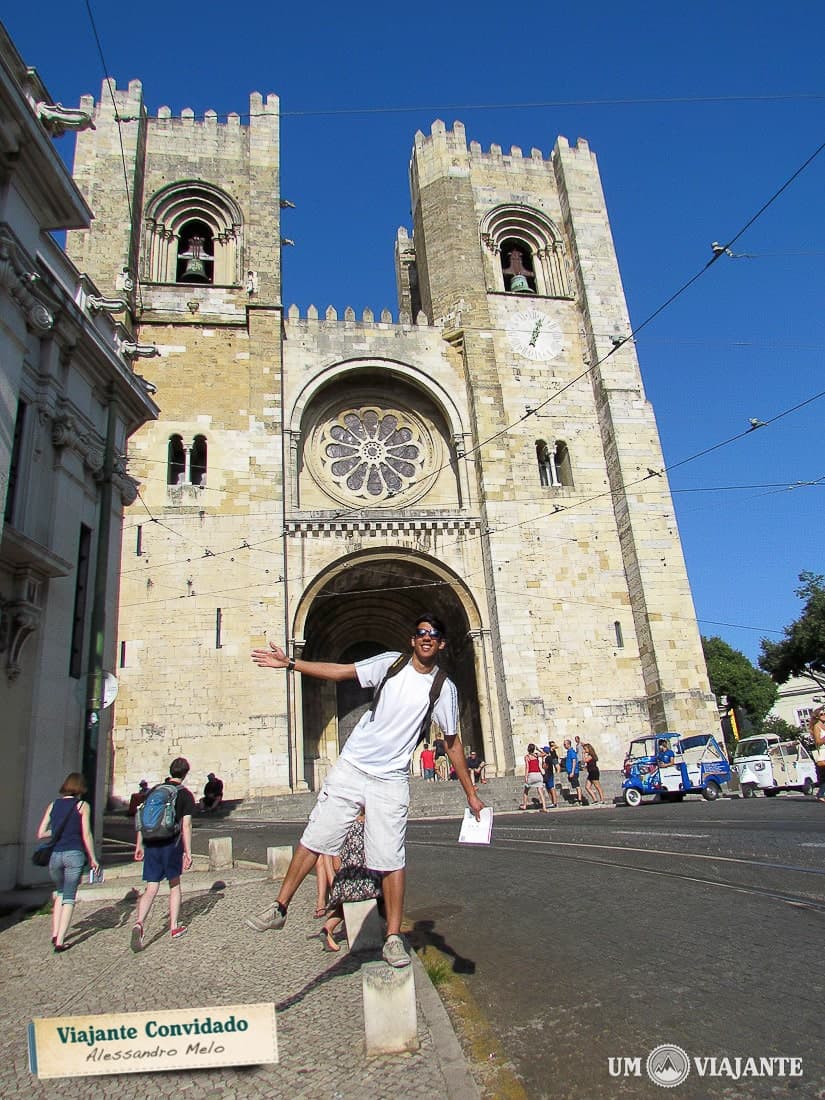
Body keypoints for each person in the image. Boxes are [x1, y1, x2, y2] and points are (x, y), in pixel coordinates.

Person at [246, 613, 484, 968]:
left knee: (390, 858)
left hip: (391, 779)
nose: (426, 638)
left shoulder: (444, 689)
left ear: (442, 643)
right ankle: (279, 906)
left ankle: (391, 938)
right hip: (353, 766)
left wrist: (470, 793)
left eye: (433, 634)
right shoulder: (390, 664)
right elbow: (341, 672)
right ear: (412, 639)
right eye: (420, 632)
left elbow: (452, 743)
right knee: (316, 836)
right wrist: (290, 663)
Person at [131, 757, 195, 951]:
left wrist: (138, 845)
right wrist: (188, 852)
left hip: (151, 843)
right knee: (174, 885)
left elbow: (142, 819)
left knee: (151, 887)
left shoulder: (155, 790)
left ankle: (139, 923)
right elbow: (186, 824)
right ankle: (174, 926)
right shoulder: (184, 795)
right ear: (185, 773)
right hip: (170, 844)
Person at [36, 773, 99, 953]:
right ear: (81, 788)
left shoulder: (53, 805)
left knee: (60, 893)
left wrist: (55, 832)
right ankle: (60, 941)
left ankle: (55, 933)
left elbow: (41, 833)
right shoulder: (82, 806)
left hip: (55, 856)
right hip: (74, 855)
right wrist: (93, 858)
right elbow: (86, 834)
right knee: (70, 897)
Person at [312, 814, 383, 953]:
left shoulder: (343, 821)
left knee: (349, 899)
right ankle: (388, 933)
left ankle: (327, 929)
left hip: (349, 880)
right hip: (361, 880)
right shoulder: (363, 820)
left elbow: (331, 858)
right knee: (381, 891)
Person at [520, 743, 548, 811]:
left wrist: (526, 777)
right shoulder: (536, 755)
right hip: (538, 774)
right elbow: (545, 754)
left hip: (531, 774)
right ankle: (544, 807)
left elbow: (527, 767)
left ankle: (524, 805)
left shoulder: (527, 757)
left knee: (526, 790)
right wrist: (538, 749)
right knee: (540, 791)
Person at [809, 707, 825, 801]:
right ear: (818, 717)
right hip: (823, 752)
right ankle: (820, 794)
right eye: (822, 714)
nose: (824, 716)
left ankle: (820, 794)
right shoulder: (817, 726)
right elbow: (818, 742)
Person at [563, 738, 584, 805]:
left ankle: (580, 799)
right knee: (575, 785)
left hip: (574, 772)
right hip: (571, 771)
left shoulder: (572, 751)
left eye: (565, 744)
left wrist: (572, 772)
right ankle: (578, 798)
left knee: (577, 785)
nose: (564, 745)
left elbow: (574, 761)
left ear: (568, 744)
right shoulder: (569, 751)